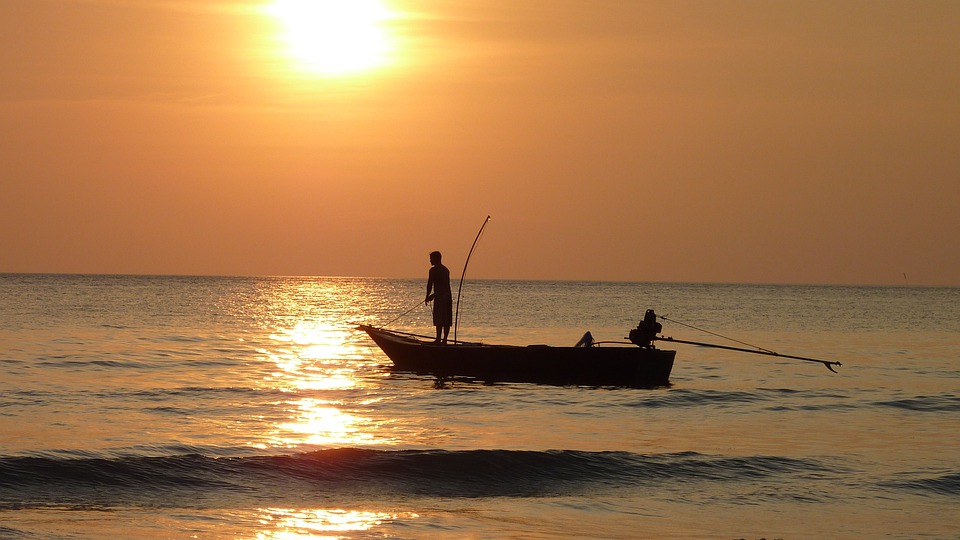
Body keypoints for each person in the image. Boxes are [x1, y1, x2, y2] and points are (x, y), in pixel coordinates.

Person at [424, 251, 452, 343]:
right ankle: (444, 340)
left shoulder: (433, 270)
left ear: (436, 259)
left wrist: (428, 296)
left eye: (431, 258)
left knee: (439, 318)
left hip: (440, 298)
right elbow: (445, 286)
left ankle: (438, 339)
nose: (430, 260)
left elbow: (430, 284)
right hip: (447, 297)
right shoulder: (446, 270)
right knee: (446, 319)